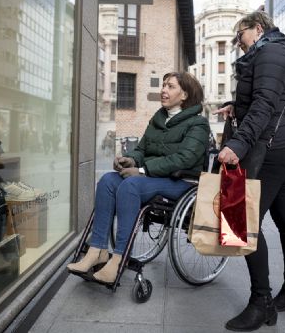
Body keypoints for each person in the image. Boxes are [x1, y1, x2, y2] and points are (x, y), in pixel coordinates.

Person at [215, 11, 285, 331]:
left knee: (241, 220)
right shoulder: (274, 51)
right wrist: (234, 106)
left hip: (273, 147)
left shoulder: (269, 52)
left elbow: (265, 103)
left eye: (238, 36)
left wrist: (238, 145)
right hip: (283, 144)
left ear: (257, 28)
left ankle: (262, 302)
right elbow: (268, 96)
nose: (237, 43)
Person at [67, 72, 209, 283]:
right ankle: (97, 250)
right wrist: (130, 160)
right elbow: (142, 149)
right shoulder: (158, 119)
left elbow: (185, 159)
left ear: (184, 94)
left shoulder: (198, 124)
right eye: (163, 85)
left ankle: (119, 258)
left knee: (131, 185)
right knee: (108, 180)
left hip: (181, 182)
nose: (163, 90)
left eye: (170, 86)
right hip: (152, 178)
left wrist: (143, 171)